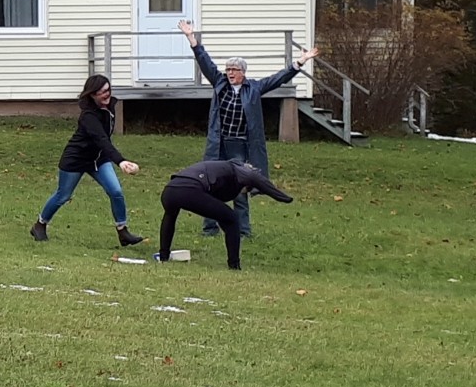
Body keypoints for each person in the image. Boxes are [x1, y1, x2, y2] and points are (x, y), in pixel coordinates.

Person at [177, 20, 318, 237]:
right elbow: (204, 61)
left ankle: (243, 231)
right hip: (219, 144)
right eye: (228, 69)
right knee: (210, 185)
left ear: (243, 72)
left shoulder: (254, 88)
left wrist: (300, 61)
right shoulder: (219, 83)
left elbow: (278, 79)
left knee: (240, 188)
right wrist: (191, 38)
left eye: (234, 70)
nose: (230, 73)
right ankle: (209, 228)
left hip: (240, 145)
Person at [31, 74, 145, 246]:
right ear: (92, 95)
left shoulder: (110, 107)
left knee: (116, 192)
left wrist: (113, 159)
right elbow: (101, 139)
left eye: (108, 90)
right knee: (63, 195)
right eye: (102, 92)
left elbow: (104, 140)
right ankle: (39, 225)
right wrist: (120, 161)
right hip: (75, 159)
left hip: (98, 159)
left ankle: (123, 232)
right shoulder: (88, 116)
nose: (107, 94)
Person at [153, 160, 294, 270]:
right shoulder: (240, 171)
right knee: (232, 219)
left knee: (170, 216)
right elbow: (256, 178)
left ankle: (164, 256)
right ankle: (234, 265)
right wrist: (284, 198)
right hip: (189, 189)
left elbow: (215, 204)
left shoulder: (223, 170)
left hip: (169, 190)